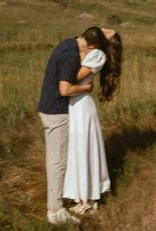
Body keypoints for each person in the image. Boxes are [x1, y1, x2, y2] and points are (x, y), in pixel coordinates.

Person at [38, 27, 107, 224]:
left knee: (56, 160)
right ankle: (56, 211)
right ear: (91, 45)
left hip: (48, 107)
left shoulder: (67, 42)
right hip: (56, 112)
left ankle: (59, 201)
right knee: (58, 162)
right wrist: (87, 87)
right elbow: (65, 89)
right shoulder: (71, 56)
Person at [63, 28, 123, 214]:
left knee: (83, 150)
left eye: (108, 32)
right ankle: (81, 196)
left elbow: (72, 77)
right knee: (79, 150)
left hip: (81, 107)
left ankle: (87, 199)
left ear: (108, 42)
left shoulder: (97, 54)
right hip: (76, 103)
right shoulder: (92, 50)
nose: (104, 29)